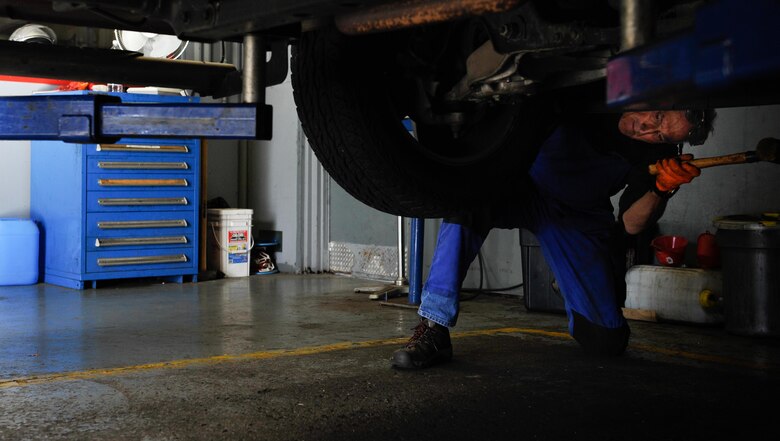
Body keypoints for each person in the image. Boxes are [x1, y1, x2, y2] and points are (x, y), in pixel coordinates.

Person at [391, 108, 717, 369]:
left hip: (577, 215)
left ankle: (571, 281)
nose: (646, 129)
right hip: (520, 187)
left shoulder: (659, 158)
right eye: (656, 117)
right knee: (468, 202)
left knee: (606, 341)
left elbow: (631, 224)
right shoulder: (597, 84)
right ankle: (433, 328)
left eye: (659, 134)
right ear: (656, 93)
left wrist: (661, 188)